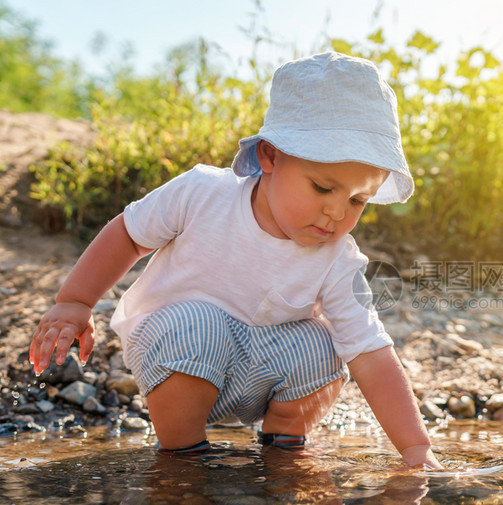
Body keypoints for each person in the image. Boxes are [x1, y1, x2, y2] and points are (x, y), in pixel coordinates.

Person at [29, 52, 442, 469]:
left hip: (264, 372)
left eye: (357, 200)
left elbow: (370, 353)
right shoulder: (202, 193)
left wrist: (415, 448)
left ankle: (284, 457)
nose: (337, 212)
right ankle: (182, 463)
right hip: (180, 354)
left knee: (325, 345)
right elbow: (128, 235)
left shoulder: (337, 257)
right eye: (321, 188)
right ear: (270, 157)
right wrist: (76, 302)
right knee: (200, 324)